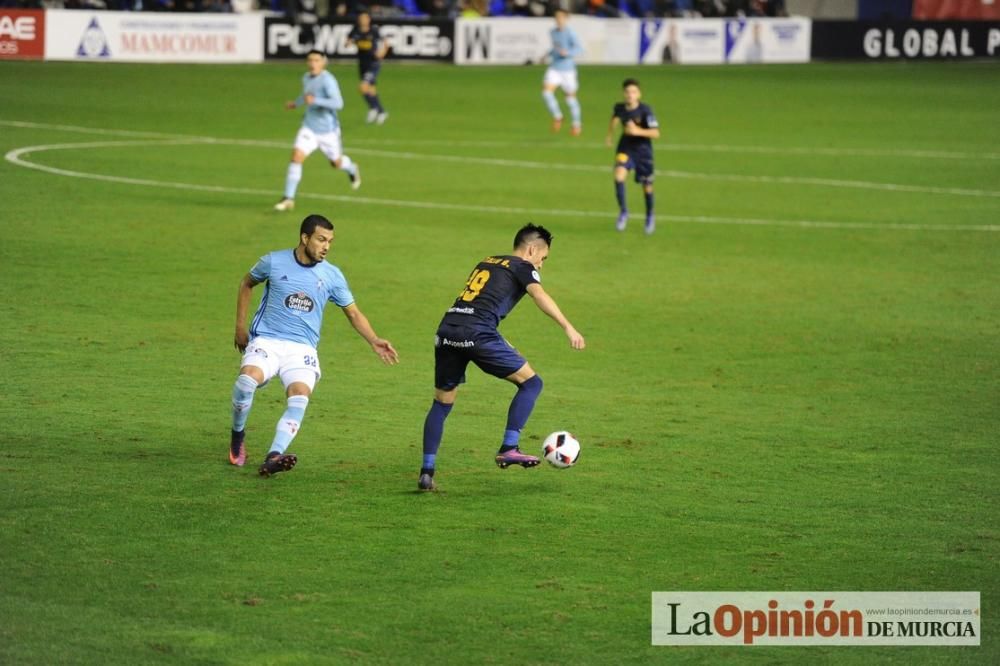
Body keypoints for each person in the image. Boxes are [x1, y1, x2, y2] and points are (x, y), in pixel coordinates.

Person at [418, 224, 586, 491]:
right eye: (543, 259)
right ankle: (509, 446)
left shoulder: (487, 261)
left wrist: (502, 342)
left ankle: (427, 472)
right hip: (478, 333)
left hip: (447, 329)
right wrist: (568, 327)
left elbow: (476, 307)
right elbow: (539, 295)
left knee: (442, 403)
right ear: (532, 249)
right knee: (532, 383)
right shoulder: (522, 266)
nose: (540, 266)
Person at [229, 214, 399, 477]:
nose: (326, 246)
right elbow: (246, 283)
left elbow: (353, 313)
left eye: (330, 241)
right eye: (321, 239)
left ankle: (274, 456)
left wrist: (374, 340)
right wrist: (240, 327)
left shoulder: (332, 275)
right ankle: (238, 436)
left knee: (299, 396)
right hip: (268, 341)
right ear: (305, 238)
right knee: (247, 381)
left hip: (302, 350)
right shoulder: (273, 261)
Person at [275, 50, 360, 213]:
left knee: (336, 163)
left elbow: (338, 103)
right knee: (296, 156)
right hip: (309, 127)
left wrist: (316, 100)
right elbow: (306, 95)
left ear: (323, 63)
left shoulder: (328, 81)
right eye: (310, 60)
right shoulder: (306, 77)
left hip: (328, 131)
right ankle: (288, 198)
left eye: (316, 60)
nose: (313, 63)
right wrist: (296, 103)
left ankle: (351, 168)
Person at [605, 78, 660, 235]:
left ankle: (649, 216)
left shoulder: (645, 111)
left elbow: (656, 133)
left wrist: (638, 131)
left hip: (643, 152)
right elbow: (614, 118)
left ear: (639, 94)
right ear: (624, 93)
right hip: (625, 148)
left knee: (647, 187)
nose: (630, 95)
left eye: (633, 92)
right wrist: (609, 135)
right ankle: (624, 212)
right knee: (618, 177)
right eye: (628, 92)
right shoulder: (620, 107)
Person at [541, 9, 584, 136]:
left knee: (570, 98)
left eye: (561, 17)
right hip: (554, 68)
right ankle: (558, 116)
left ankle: (576, 124)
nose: (558, 19)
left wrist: (568, 53)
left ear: (566, 19)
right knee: (546, 93)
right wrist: (546, 55)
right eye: (557, 17)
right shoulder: (553, 32)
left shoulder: (571, 33)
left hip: (568, 70)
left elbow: (579, 49)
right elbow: (555, 48)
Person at [347, 9, 390, 125]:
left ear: (369, 19)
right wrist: (349, 42)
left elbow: (386, 43)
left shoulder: (374, 30)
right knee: (371, 89)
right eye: (361, 18)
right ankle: (374, 109)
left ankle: (379, 111)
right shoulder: (355, 31)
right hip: (362, 64)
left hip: (373, 63)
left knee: (363, 87)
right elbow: (347, 43)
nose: (363, 20)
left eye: (365, 18)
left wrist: (382, 53)